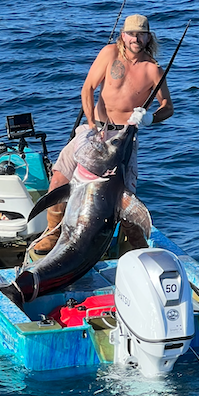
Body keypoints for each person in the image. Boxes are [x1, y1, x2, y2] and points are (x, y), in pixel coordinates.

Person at [34, 14, 174, 255]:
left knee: (126, 197)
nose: (136, 38)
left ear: (148, 37)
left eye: (141, 34)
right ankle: (52, 233)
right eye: (131, 33)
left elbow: (168, 107)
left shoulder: (153, 70)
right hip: (94, 130)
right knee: (59, 179)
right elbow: (87, 88)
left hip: (123, 139)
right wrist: (91, 125)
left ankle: (135, 247)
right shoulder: (109, 53)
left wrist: (151, 117)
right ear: (123, 34)